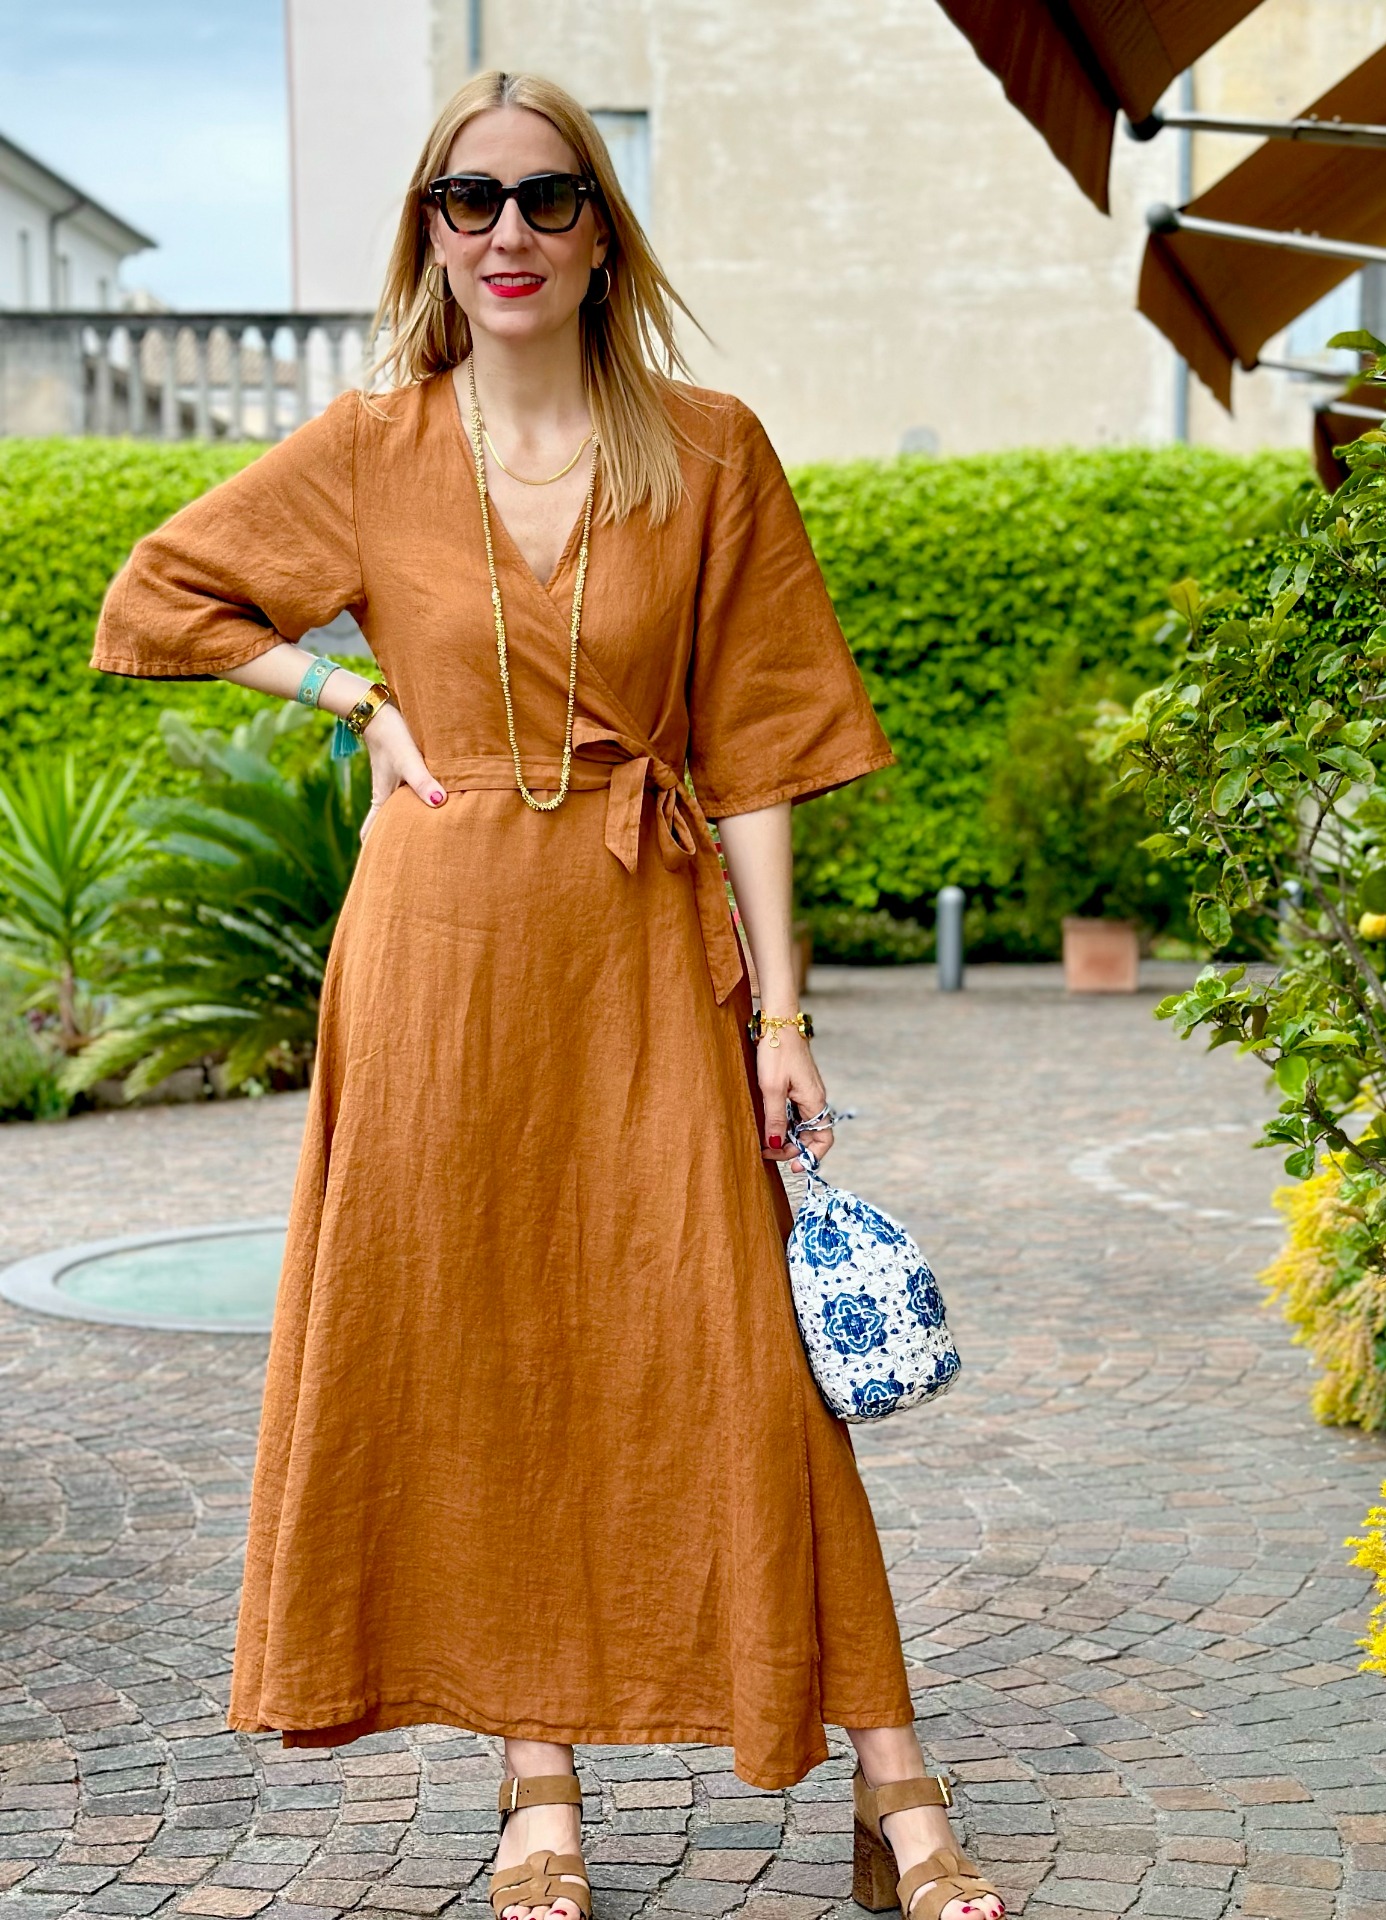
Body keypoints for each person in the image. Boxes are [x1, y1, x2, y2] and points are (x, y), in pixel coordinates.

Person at [91, 70, 1005, 1920]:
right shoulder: (372, 446)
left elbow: (758, 754)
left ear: (603, 232)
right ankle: (537, 1789)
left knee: (742, 1358)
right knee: (484, 1346)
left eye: (547, 197)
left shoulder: (709, 449)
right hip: (437, 958)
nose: (507, 231)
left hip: (647, 943)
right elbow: (161, 599)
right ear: (429, 233)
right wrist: (352, 695)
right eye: (468, 198)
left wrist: (785, 1019)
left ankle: (891, 1772)